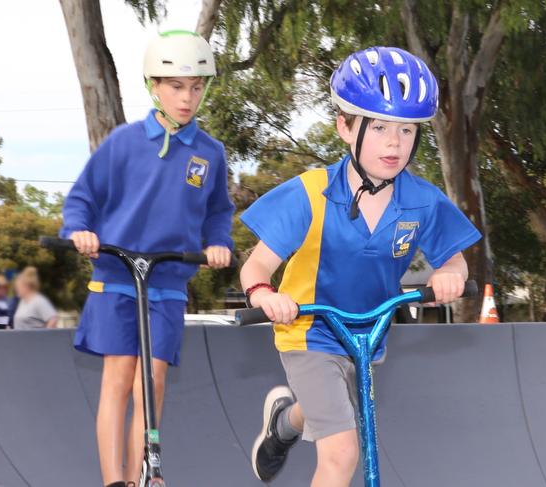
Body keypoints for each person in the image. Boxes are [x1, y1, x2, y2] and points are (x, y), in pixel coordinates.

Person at [239, 46, 482, 486]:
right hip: (309, 330)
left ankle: (284, 423)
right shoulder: (311, 193)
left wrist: (451, 276)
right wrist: (265, 295)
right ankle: (291, 419)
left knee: (331, 416)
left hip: (366, 337)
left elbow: (455, 260)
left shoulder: (421, 200)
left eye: (408, 130)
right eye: (381, 127)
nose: (395, 143)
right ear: (345, 127)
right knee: (343, 451)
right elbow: (256, 264)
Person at [59, 30, 234, 487]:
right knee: (118, 378)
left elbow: (218, 212)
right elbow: (82, 197)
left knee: (151, 383)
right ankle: (113, 481)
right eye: (176, 86)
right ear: (154, 86)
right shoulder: (124, 142)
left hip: (168, 282)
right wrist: (79, 231)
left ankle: (141, 477)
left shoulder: (209, 154)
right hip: (117, 274)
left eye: (196, 86)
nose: (187, 96)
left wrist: (219, 244)